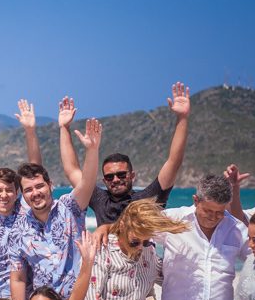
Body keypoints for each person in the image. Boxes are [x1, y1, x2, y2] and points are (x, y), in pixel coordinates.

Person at [57, 84, 190, 227]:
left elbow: (174, 163)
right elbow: (72, 171)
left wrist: (182, 117)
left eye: (121, 175)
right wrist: (64, 128)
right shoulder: (100, 200)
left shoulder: (146, 199)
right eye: (109, 177)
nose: (115, 179)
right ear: (104, 180)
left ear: (132, 176)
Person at [8, 115, 102, 300]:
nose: (35, 193)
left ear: (50, 185)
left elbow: (86, 182)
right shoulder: (18, 231)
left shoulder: (70, 206)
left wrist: (92, 150)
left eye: (39, 186)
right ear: (22, 194)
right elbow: (17, 278)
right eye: (28, 190)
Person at [0, 100, 45, 300]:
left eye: (8, 190)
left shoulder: (27, 212)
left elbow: (35, 170)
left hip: (34, 298)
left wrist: (30, 130)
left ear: (17, 193)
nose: (3, 195)